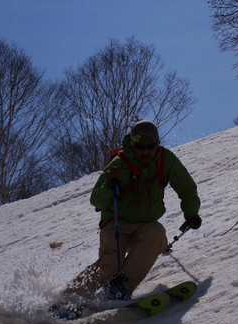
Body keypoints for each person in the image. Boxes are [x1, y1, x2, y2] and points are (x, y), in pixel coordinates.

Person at [54, 120, 201, 313]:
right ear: (133, 145)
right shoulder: (120, 164)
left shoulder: (165, 160)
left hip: (146, 225)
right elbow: (96, 201)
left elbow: (187, 188)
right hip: (116, 224)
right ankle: (68, 300)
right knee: (110, 264)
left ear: (157, 144)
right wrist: (109, 185)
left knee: (157, 233)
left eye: (151, 147)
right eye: (141, 147)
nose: (146, 152)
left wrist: (191, 212)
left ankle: (119, 290)